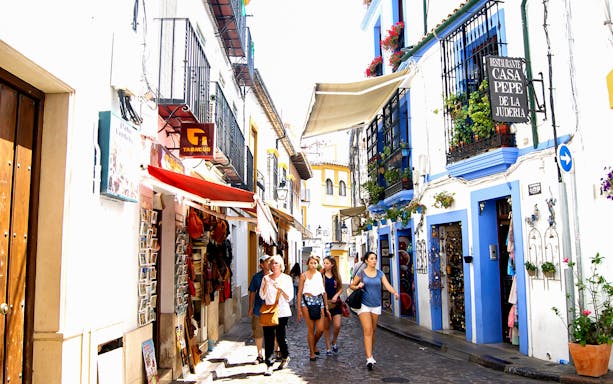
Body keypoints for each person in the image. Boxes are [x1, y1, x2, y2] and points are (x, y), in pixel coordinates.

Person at [349, 251, 399, 371]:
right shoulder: (361, 273)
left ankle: (370, 351)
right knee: (367, 330)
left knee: (373, 331)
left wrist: (395, 292)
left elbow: (387, 285)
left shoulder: (380, 273)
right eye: (371, 258)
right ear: (366, 261)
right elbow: (351, 285)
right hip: (364, 305)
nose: (374, 260)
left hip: (376, 305)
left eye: (375, 258)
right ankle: (369, 358)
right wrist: (358, 286)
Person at [259, 254, 293, 376]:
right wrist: (265, 287)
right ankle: (269, 364)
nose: (274, 265)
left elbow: (290, 297)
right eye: (272, 263)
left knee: (280, 337)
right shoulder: (265, 279)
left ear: (281, 266)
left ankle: (285, 356)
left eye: (276, 263)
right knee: (268, 338)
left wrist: (281, 289)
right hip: (269, 311)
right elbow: (262, 296)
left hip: (282, 311)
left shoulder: (287, 279)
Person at [296, 255, 328, 361]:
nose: (313, 265)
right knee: (311, 328)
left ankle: (313, 344)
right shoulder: (303, 276)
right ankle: (311, 352)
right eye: (311, 263)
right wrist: (299, 309)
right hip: (306, 301)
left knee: (320, 329)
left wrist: (326, 307)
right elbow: (299, 292)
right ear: (307, 264)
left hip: (319, 301)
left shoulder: (320, 275)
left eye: (315, 263)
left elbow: (323, 291)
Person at [247, 254, 271, 364]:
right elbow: (252, 292)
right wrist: (250, 307)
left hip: (272, 308)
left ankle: (274, 353)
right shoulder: (256, 277)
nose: (269, 263)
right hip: (259, 308)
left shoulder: (275, 276)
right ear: (261, 265)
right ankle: (260, 354)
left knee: (273, 331)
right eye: (267, 261)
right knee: (258, 331)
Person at [322, 256, 344, 355]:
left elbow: (341, 288)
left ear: (332, 264)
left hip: (335, 303)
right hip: (324, 303)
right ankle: (328, 348)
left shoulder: (336, 275)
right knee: (326, 327)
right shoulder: (321, 275)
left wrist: (336, 295)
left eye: (327, 263)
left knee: (337, 325)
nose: (325, 265)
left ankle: (334, 341)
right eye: (324, 263)